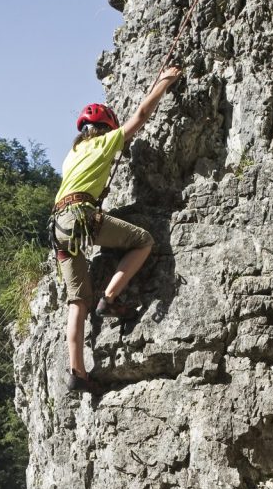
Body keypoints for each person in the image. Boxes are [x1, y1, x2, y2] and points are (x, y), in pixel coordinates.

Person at [50, 67, 183, 395]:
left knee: (77, 301)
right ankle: (110, 298)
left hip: (58, 227)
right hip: (80, 215)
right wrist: (164, 81)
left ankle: (77, 371)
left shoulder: (73, 154)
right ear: (105, 129)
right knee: (143, 241)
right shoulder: (105, 143)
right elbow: (140, 115)